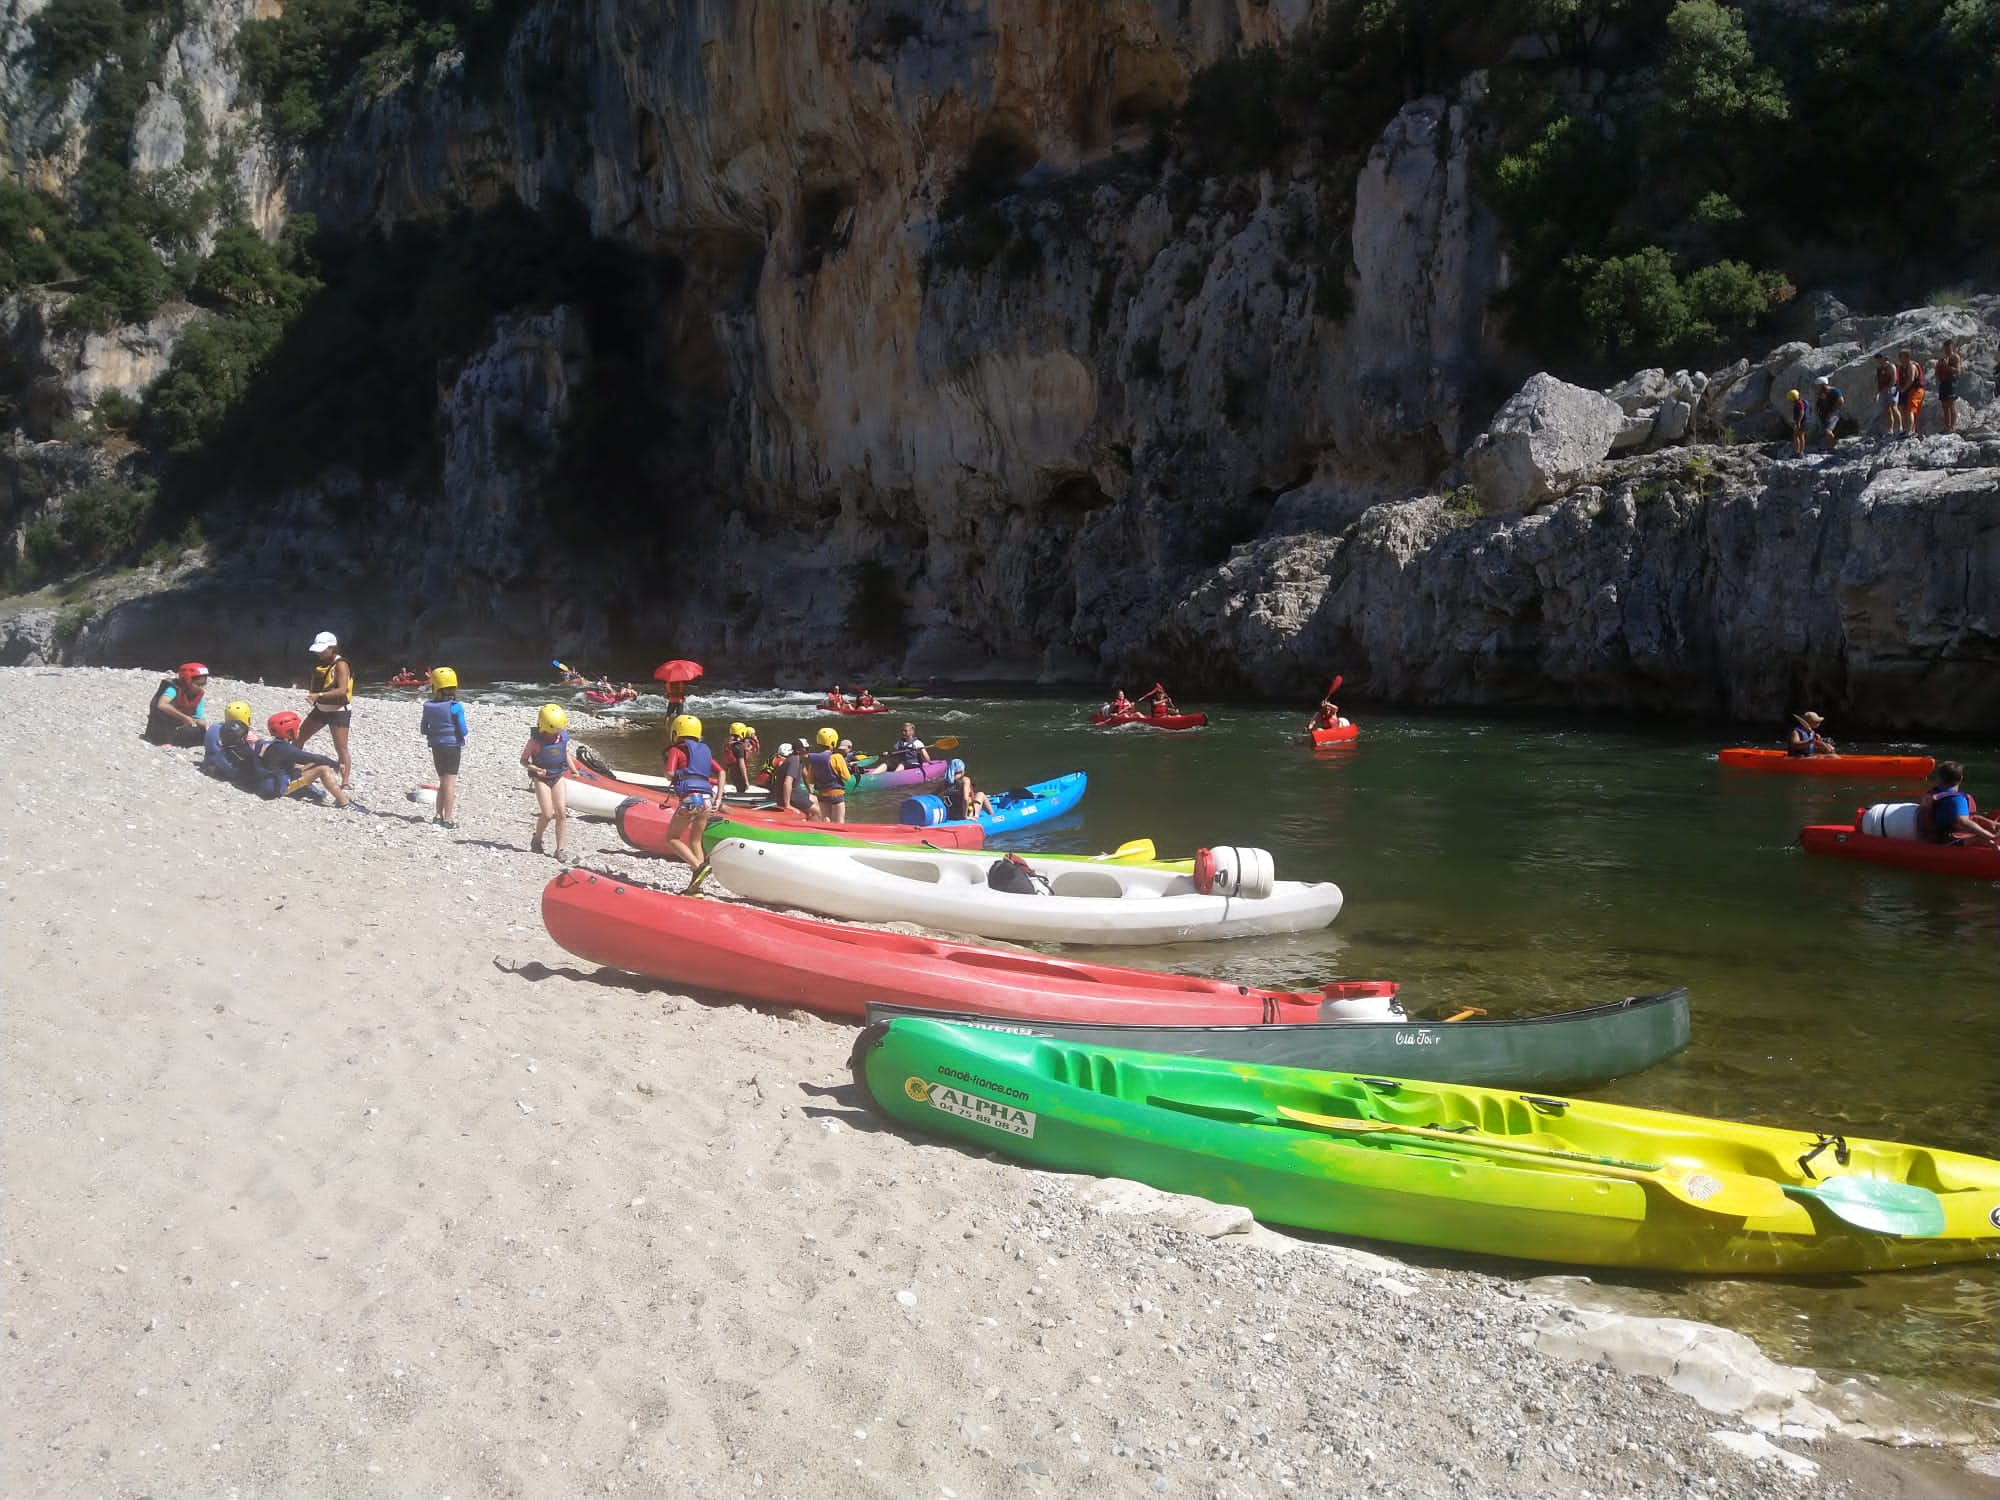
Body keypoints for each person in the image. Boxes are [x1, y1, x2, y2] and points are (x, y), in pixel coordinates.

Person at [257, 710, 357, 806]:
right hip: (280, 789)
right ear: (289, 731)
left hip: (272, 784)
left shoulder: (277, 745)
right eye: (297, 728)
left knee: (308, 765)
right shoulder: (285, 748)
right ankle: (343, 801)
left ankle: (335, 797)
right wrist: (336, 764)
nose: (299, 730)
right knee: (323, 769)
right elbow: (315, 758)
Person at [657, 714, 719, 868]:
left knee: (672, 838)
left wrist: (677, 774)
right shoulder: (704, 751)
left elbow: (669, 774)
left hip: (693, 800)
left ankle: (698, 867)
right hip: (707, 800)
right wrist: (719, 798)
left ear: (676, 731)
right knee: (695, 841)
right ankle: (697, 887)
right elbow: (720, 773)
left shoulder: (676, 750)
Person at [299, 631, 354, 789]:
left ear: (333, 648)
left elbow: (342, 690)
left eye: (322, 650)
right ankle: (292, 765)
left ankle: (345, 781)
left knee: (341, 747)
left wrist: (319, 695)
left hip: (338, 711)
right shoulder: (322, 663)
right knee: (300, 736)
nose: (319, 653)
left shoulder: (341, 665)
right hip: (321, 709)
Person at [520, 704, 571, 859]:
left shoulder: (561, 737)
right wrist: (536, 770)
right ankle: (537, 839)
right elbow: (523, 761)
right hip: (541, 779)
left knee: (561, 812)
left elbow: (565, 753)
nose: (554, 735)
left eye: (557, 731)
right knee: (548, 814)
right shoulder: (534, 742)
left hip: (557, 777)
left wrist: (573, 769)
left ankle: (560, 850)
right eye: (551, 732)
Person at [420, 667, 469, 829]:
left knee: (442, 781)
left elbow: (424, 729)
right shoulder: (455, 707)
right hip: (452, 746)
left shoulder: (428, 706)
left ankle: (437, 815)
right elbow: (463, 730)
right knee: (450, 783)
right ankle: (448, 819)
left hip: (436, 746)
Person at [1916, 762, 2000, 847]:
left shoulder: (1934, 794)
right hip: (1948, 843)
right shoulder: (1957, 799)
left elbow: (1963, 817)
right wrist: (1990, 836)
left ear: (1939, 778)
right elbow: (1963, 821)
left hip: (1931, 838)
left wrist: (1990, 823)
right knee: (1984, 839)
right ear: (1961, 778)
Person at [144, 662, 211, 746]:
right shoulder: (173, 689)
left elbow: (199, 717)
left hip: (179, 728)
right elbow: (161, 705)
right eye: (198, 684)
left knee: (205, 734)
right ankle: (165, 741)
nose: (201, 687)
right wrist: (185, 718)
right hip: (160, 730)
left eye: (203, 684)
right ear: (187, 681)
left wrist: (204, 725)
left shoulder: (198, 695)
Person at [804, 726, 850, 822]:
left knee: (826, 820)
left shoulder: (815, 760)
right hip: (836, 794)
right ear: (833, 742)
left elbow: (810, 780)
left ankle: (826, 835)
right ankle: (838, 836)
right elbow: (847, 777)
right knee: (839, 821)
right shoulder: (837, 757)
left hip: (822, 794)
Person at [769, 741, 812, 814]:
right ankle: (816, 824)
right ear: (798, 750)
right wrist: (787, 805)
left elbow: (806, 777)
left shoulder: (800, 761)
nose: (808, 751)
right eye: (806, 749)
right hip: (792, 796)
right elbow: (787, 783)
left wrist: (811, 791)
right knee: (817, 811)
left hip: (795, 793)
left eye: (809, 748)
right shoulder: (794, 760)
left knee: (816, 800)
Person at [722, 722, 762, 793]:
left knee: (738, 787)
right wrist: (746, 781)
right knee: (741, 789)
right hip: (738, 773)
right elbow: (742, 765)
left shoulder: (729, 744)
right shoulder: (739, 747)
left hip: (732, 772)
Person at [1935, 341, 1961, 434]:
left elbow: (1958, 371)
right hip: (1943, 383)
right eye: (1945, 348)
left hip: (1951, 382)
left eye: (1949, 348)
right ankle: (1946, 426)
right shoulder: (1942, 359)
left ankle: (1952, 426)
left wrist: (1947, 366)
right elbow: (1937, 371)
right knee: (1944, 406)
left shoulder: (1955, 357)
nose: (1947, 350)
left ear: (1952, 348)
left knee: (1951, 404)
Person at [1897, 348, 1925, 436]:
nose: (1900, 359)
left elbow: (1911, 379)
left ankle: (1910, 431)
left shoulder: (1911, 366)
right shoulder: (1903, 367)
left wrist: (1903, 389)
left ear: (1907, 357)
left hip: (1916, 390)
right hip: (1909, 390)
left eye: (1901, 357)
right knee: (1904, 409)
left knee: (1910, 410)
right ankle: (1908, 429)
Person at [1873, 353, 1901, 437]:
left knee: (1894, 407)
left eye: (1878, 359)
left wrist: (1890, 388)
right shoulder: (1879, 369)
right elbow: (1879, 382)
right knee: (1886, 410)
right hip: (1883, 390)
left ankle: (1899, 427)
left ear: (1883, 358)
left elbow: (1894, 378)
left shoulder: (1890, 366)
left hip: (1891, 389)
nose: (1878, 361)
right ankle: (1890, 429)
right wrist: (1877, 393)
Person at [1813, 378, 1844, 450]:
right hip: (1824, 415)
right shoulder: (1822, 392)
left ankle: (1832, 448)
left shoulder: (1834, 391)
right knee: (1825, 432)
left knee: (1828, 431)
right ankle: (1829, 447)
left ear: (1822, 385)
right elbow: (1819, 402)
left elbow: (1841, 401)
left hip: (1832, 414)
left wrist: (1832, 411)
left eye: (1818, 385)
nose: (1816, 387)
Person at [1786, 387, 1808, 456]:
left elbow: (1801, 412)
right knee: (1799, 435)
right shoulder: (1801, 402)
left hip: (1801, 422)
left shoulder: (1799, 403)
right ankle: (1800, 451)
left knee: (1798, 436)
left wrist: (1798, 422)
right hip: (1802, 421)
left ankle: (1799, 451)